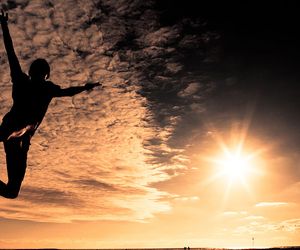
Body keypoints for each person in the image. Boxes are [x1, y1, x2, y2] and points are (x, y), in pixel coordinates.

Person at [0, 10, 100, 199]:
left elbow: (67, 91)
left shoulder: (48, 89)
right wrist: (4, 25)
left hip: (20, 143)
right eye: (36, 72)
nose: (39, 77)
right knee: (8, 132)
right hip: (11, 126)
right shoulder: (22, 80)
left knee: (12, 191)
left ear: (45, 76)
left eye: (42, 74)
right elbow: (11, 52)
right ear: (32, 73)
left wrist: (85, 87)